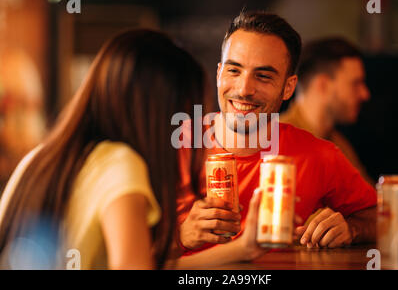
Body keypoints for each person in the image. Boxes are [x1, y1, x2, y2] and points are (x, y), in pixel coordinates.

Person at [0, 29, 264, 269]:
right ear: (157, 113)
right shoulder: (120, 165)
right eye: (183, 116)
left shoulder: (41, 158)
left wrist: (239, 249)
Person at [177, 11, 377, 255]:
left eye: (263, 76)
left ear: (288, 87)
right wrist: (181, 236)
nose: (244, 89)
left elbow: (381, 217)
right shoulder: (173, 146)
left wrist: (351, 228)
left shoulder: (318, 154)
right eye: (234, 70)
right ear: (219, 74)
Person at [280, 38, 373, 185]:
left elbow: (370, 203)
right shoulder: (280, 142)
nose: (365, 94)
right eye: (355, 84)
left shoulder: (340, 145)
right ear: (323, 85)